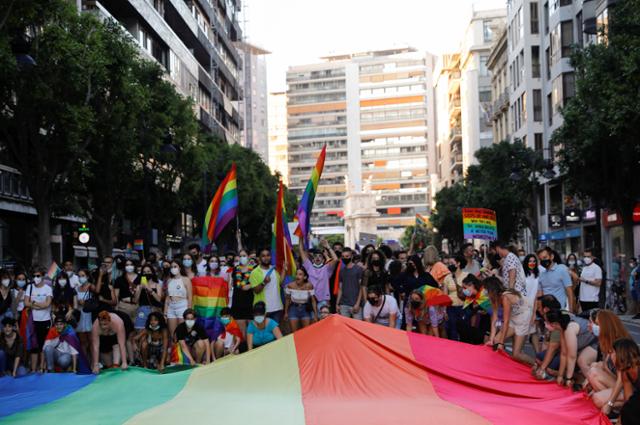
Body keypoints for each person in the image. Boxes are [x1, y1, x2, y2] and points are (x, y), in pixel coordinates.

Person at [484, 277, 534, 365]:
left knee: (516, 354)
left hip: (524, 316)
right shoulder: (494, 297)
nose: (484, 292)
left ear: (491, 289)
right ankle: (503, 365)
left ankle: (537, 366)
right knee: (496, 340)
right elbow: (494, 319)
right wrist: (491, 339)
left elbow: (506, 321)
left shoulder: (505, 297)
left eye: (485, 289)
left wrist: (502, 343)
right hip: (514, 316)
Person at [544, 309, 598, 388]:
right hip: (585, 343)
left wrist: (568, 379)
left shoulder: (569, 328)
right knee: (573, 362)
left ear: (554, 324)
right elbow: (564, 353)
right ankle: (586, 382)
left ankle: (594, 385)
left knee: (582, 361)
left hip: (595, 341)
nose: (545, 325)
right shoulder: (562, 328)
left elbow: (572, 357)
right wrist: (560, 376)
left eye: (546, 322)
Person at [584, 311, 631, 402]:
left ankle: (620, 406)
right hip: (620, 383)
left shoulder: (619, 346)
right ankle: (612, 402)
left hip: (630, 389)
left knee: (597, 398)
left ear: (607, 326)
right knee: (594, 367)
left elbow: (622, 380)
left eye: (596, 324)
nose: (591, 326)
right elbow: (606, 367)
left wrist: (610, 403)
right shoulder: (608, 342)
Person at [600, 338, 640, 418]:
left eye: (613, 353)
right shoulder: (625, 372)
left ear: (621, 354)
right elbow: (628, 401)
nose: (611, 356)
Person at [24, 268, 53, 372]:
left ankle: (42, 367)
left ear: (42, 276)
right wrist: (39, 305)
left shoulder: (47, 288)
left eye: (38, 276)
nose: (36, 278)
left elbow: (47, 304)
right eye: (34, 276)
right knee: (34, 344)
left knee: (43, 344)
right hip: (33, 320)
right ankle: (33, 368)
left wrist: (34, 304)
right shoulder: (29, 287)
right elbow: (26, 303)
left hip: (45, 320)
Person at [299, 239, 338, 310]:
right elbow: (301, 251)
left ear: (323, 260)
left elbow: (335, 259)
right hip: (310, 299)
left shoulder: (327, 269)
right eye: (315, 256)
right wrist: (300, 238)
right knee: (313, 320)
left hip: (323, 301)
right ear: (312, 260)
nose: (317, 258)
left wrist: (327, 246)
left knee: (323, 320)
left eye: (320, 256)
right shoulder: (309, 267)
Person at [249, 249, 283, 324]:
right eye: (263, 256)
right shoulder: (254, 272)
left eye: (268, 255)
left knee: (275, 333)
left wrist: (284, 270)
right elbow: (256, 291)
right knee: (263, 334)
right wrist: (264, 282)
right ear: (259, 258)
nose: (266, 257)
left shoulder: (274, 270)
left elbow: (279, 283)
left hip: (277, 308)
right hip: (263, 310)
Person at [533, 295, 563, 379]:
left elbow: (553, 348)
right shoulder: (551, 317)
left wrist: (542, 368)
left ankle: (561, 375)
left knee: (549, 369)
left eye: (539, 307)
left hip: (567, 353)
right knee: (539, 357)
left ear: (545, 309)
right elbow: (548, 344)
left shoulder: (555, 320)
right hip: (560, 351)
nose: (537, 310)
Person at [537, 247, 575, 312]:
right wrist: (540, 311)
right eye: (540, 259)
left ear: (551, 256)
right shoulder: (541, 274)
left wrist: (571, 311)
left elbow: (570, 292)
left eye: (545, 257)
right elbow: (540, 295)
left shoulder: (562, 269)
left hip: (561, 310)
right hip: (547, 312)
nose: (543, 261)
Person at [458, 274, 492, 345]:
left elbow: (492, 312)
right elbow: (470, 312)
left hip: (489, 324)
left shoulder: (484, 294)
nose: (464, 290)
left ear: (472, 285)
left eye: (465, 287)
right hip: (477, 327)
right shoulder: (470, 297)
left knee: (486, 345)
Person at [164, 260, 192, 340]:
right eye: (172, 267)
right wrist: (165, 313)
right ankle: (174, 352)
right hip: (171, 307)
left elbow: (190, 297)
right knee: (173, 336)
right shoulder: (169, 280)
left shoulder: (186, 280)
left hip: (182, 306)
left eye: (175, 266)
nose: (173, 269)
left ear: (180, 268)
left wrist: (189, 312)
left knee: (182, 335)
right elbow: (167, 297)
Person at [284, 268, 317, 332]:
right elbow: (287, 299)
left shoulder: (309, 286)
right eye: (296, 274)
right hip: (293, 308)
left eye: (300, 274)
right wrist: (286, 312)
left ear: (305, 277)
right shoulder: (290, 286)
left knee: (306, 332)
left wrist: (315, 314)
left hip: (305, 309)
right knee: (294, 333)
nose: (297, 276)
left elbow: (313, 301)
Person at [230, 249, 254, 337]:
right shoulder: (235, 269)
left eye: (244, 256)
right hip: (237, 302)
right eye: (240, 256)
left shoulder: (254, 269)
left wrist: (250, 285)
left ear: (248, 257)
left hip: (250, 302)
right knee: (241, 333)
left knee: (251, 332)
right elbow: (233, 284)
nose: (242, 258)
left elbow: (259, 282)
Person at [443, 255, 468, 340]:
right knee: (452, 331)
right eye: (448, 263)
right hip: (451, 308)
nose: (449, 265)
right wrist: (444, 310)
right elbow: (445, 295)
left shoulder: (467, 276)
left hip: (464, 307)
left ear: (458, 263)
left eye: (452, 263)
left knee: (464, 330)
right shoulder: (447, 278)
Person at [337, 247, 365, 320]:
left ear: (351, 256)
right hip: (343, 304)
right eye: (343, 256)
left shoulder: (358, 269)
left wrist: (358, 303)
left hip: (355, 304)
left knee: (358, 327)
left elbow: (361, 288)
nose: (345, 258)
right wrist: (337, 303)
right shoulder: (342, 271)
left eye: (347, 256)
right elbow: (340, 288)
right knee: (344, 328)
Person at [133, 264, 163, 331]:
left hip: (154, 311)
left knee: (154, 331)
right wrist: (140, 288)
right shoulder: (139, 286)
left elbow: (159, 299)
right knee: (140, 330)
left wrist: (150, 289)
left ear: (152, 272)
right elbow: (135, 301)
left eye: (148, 271)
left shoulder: (157, 285)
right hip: (142, 311)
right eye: (144, 272)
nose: (146, 273)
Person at [522, 254, 542, 351]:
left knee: (533, 331)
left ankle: (538, 356)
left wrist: (534, 312)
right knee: (522, 332)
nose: (532, 263)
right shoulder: (522, 275)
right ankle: (518, 353)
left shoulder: (538, 275)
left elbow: (537, 294)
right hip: (523, 307)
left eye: (534, 261)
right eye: (530, 261)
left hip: (534, 306)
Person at [74, 270, 94, 356]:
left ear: (87, 276)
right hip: (80, 316)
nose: (80, 278)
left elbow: (95, 301)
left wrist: (85, 302)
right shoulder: (76, 288)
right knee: (83, 341)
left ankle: (94, 361)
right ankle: (85, 362)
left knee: (91, 340)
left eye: (83, 275)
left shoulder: (92, 287)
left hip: (90, 315)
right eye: (79, 276)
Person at [114, 259, 139, 324]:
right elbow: (116, 295)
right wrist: (116, 307)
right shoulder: (119, 279)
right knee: (125, 327)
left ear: (134, 266)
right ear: (124, 267)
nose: (129, 266)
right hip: (123, 306)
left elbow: (146, 287)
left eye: (131, 264)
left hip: (138, 307)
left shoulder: (142, 277)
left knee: (138, 328)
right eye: (127, 265)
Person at [577, 248, 603, 313]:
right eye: (585, 256)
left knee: (592, 318)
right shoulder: (584, 268)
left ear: (593, 257)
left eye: (588, 256)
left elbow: (598, 283)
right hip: (583, 299)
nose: (586, 258)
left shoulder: (596, 268)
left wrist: (585, 281)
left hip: (592, 299)